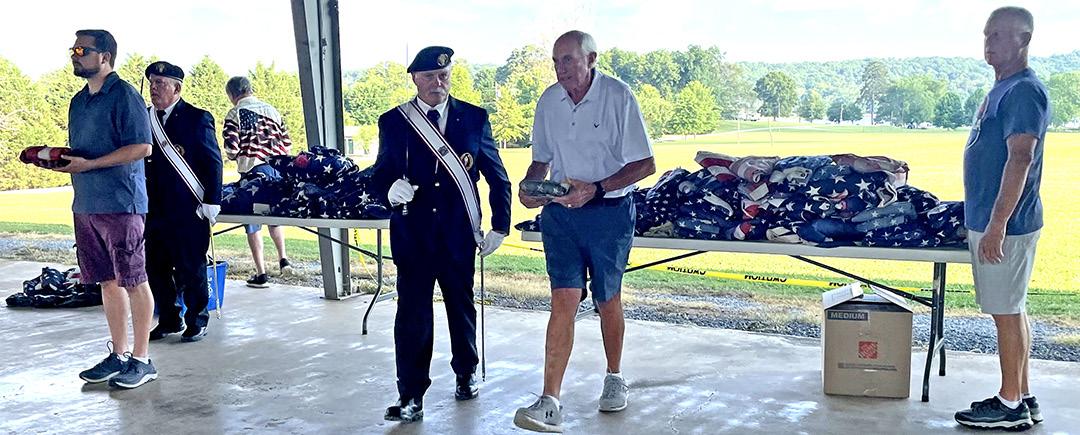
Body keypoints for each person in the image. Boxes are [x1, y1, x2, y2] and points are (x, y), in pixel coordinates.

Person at [513, 30, 655, 433]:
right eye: (556, 61)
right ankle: (550, 401)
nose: (561, 69)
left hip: (609, 213)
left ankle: (614, 376)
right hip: (561, 215)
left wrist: (595, 189)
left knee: (608, 299)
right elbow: (541, 160)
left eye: (569, 60)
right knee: (563, 299)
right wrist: (531, 187)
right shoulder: (548, 101)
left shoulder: (618, 96)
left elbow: (645, 164)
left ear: (591, 59)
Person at [371, 46, 512, 423]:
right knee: (412, 315)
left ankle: (466, 372)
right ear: (415, 79)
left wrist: (500, 225)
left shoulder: (474, 117)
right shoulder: (395, 121)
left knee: (460, 307)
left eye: (444, 75)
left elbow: (497, 176)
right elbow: (379, 174)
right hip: (413, 235)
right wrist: (388, 190)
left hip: (457, 233)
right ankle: (410, 394)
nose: (438, 82)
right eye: (430, 76)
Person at [954, 6, 1049, 431]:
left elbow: (1021, 157)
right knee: (1012, 308)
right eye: (986, 34)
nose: (988, 43)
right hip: (993, 220)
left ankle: (1009, 405)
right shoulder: (1003, 88)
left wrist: (997, 225)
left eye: (999, 35)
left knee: (1005, 313)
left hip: (1006, 225)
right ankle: (1023, 395)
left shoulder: (1024, 91)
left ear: (1023, 40)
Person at [56, 29, 158, 389]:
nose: (75, 55)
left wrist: (91, 164)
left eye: (82, 50)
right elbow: (84, 150)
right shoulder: (78, 101)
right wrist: (58, 159)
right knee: (107, 280)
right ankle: (119, 353)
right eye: (73, 49)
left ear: (105, 56)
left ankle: (142, 360)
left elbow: (142, 147)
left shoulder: (125, 95)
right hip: (86, 202)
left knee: (134, 280)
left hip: (121, 203)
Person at [143, 61, 223, 343]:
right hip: (154, 208)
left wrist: (212, 200)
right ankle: (168, 318)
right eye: (152, 83)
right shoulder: (145, 118)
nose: (153, 88)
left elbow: (212, 161)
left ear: (176, 89)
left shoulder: (196, 118)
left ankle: (197, 320)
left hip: (188, 206)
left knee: (191, 267)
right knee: (156, 267)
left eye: (160, 83)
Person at [222, 76, 293, 288]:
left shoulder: (235, 113)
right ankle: (283, 258)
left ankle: (261, 273)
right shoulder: (273, 111)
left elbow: (232, 148)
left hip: (253, 173)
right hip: (277, 172)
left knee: (252, 223)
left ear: (232, 94)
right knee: (273, 217)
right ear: (250, 89)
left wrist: (235, 156)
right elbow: (287, 144)